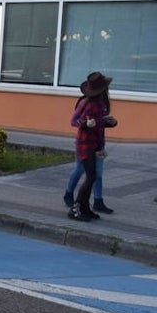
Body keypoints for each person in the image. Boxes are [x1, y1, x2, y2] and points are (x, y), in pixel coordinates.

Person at [67, 72, 112, 221]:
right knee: (90, 175)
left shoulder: (100, 103)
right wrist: (85, 124)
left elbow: (99, 123)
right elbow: (74, 121)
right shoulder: (87, 103)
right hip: (85, 144)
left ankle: (85, 208)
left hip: (96, 143)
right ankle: (75, 208)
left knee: (92, 176)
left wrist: (108, 122)